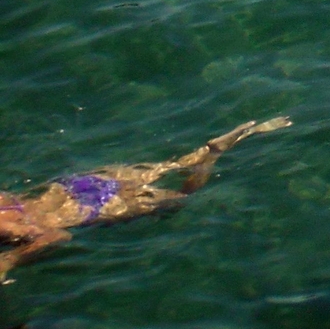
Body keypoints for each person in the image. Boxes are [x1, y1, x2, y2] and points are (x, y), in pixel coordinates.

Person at [0, 118, 291, 283]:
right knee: (171, 165)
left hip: (95, 206)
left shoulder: (5, 228)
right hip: (76, 185)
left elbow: (56, 235)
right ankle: (221, 143)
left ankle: (214, 154)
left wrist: (10, 260)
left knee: (184, 196)